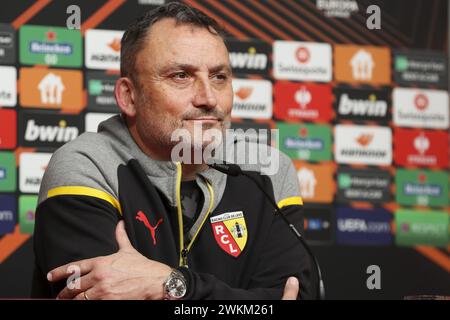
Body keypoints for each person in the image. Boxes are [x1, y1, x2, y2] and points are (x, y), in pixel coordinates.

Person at [31, 2, 317, 300]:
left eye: (219, 77)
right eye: (181, 76)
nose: (208, 98)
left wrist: (171, 285)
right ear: (129, 96)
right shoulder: (85, 166)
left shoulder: (268, 170)